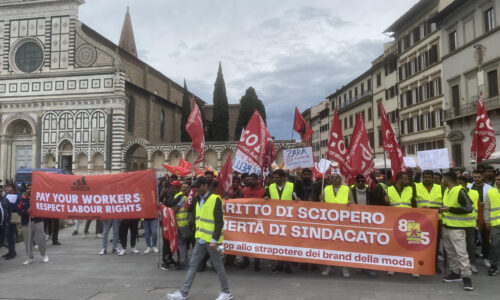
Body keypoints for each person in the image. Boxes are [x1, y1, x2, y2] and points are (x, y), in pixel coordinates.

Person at [167, 177, 232, 300]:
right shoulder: (197, 199)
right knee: (193, 265)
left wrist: (214, 240)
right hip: (200, 238)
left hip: (213, 241)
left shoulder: (215, 199)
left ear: (205, 185)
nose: (196, 189)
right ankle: (183, 293)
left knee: (218, 265)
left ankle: (226, 292)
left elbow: (219, 222)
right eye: (195, 187)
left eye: (198, 187)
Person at [440, 171, 474, 291]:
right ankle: (455, 273)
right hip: (447, 226)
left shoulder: (460, 190)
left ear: (447, 178)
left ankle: (467, 278)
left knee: (461, 253)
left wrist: (450, 209)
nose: (441, 181)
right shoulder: (447, 191)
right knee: (451, 252)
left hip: (457, 228)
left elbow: (469, 208)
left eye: (442, 178)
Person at [264, 169, 300, 274]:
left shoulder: (292, 186)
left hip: (289, 219)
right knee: (276, 243)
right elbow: (267, 199)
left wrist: (298, 200)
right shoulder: (270, 187)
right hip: (275, 219)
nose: (275, 179)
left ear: (283, 177)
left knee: (287, 243)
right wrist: (265, 198)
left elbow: (297, 198)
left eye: (277, 177)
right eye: (274, 177)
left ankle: (287, 265)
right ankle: (278, 264)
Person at [385, 172, 419, 277]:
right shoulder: (388, 190)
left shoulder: (410, 189)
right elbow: (381, 208)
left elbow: (414, 204)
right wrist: (385, 201)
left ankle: (413, 268)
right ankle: (393, 266)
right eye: (406, 179)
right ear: (399, 179)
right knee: (394, 244)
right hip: (394, 221)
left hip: (411, 220)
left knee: (413, 244)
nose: (408, 182)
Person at [320, 171, 353, 278]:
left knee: (343, 246)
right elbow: (322, 205)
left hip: (343, 221)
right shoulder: (326, 189)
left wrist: (350, 204)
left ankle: (344, 267)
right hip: (329, 222)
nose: (334, 179)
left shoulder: (346, 189)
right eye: (332, 178)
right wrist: (321, 201)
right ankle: (329, 266)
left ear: (340, 179)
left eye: (337, 177)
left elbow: (353, 203)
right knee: (330, 245)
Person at [239, 173, 266, 271]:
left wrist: (267, 200)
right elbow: (239, 203)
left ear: (257, 180)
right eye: (248, 180)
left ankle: (256, 262)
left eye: (251, 180)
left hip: (258, 221)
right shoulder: (244, 191)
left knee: (256, 242)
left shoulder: (263, 191)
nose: (248, 181)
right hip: (246, 220)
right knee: (245, 241)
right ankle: (245, 260)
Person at [468, 169, 493, 268]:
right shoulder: (468, 187)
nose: (476, 179)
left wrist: (483, 204)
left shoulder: (489, 188)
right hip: (472, 217)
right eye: (475, 177)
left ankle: (485, 258)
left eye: (478, 177)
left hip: (485, 216)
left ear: (483, 177)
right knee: (471, 241)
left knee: (485, 239)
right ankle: (471, 261)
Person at [17, 184, 49, 264]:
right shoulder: (22, 199)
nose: (29, 190)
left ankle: (44, 255)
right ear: (26, 190)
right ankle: (29, 257)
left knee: (41, 239)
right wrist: (25, 212)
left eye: (31, 188)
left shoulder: (39, 198)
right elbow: (18, 210)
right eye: (28, 188)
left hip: (38, 221)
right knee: (28, 241)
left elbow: (44, 207)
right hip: (26, 222)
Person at [458, 176, 479, 273]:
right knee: (459, 246)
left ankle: (472, 264)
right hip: (456, 223)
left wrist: (478, 222)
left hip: (470, 223)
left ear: (466, 184)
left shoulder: (474, 193)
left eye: (461, 184)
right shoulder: (454, 192)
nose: (459, 186)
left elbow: (478, 208)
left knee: (471, 245)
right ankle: (460, 265)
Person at [173, 180, 190, 270]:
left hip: (180, 224)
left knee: (181, 244)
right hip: (184, 223)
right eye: (183, 187)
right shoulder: (185, 197)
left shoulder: (182, 197)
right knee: (183, 244)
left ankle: (183, 262)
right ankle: (183, 260)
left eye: (186, 188)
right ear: (180, 188)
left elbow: (175, 210)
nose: (185, 189)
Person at [486, 172, 500, 276]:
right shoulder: (491, 192)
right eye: (496, 180)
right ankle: (494, 266)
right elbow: (487, 208)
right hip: (495, 224)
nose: (497, 182)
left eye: (499, 180)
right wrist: (487, 221)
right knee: (495, 246)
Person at [3, 183, 20, 260]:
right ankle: (10, 251)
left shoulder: (17, 195)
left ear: (12, 188)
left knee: (10, 235)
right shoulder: (6, 196)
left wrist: (10, 205)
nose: (6, 189)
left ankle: (12, 252)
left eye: (8, 187)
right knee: (7, 235)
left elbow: (18, 206)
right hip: (6, 218)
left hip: (12, 217)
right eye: (6, 187)